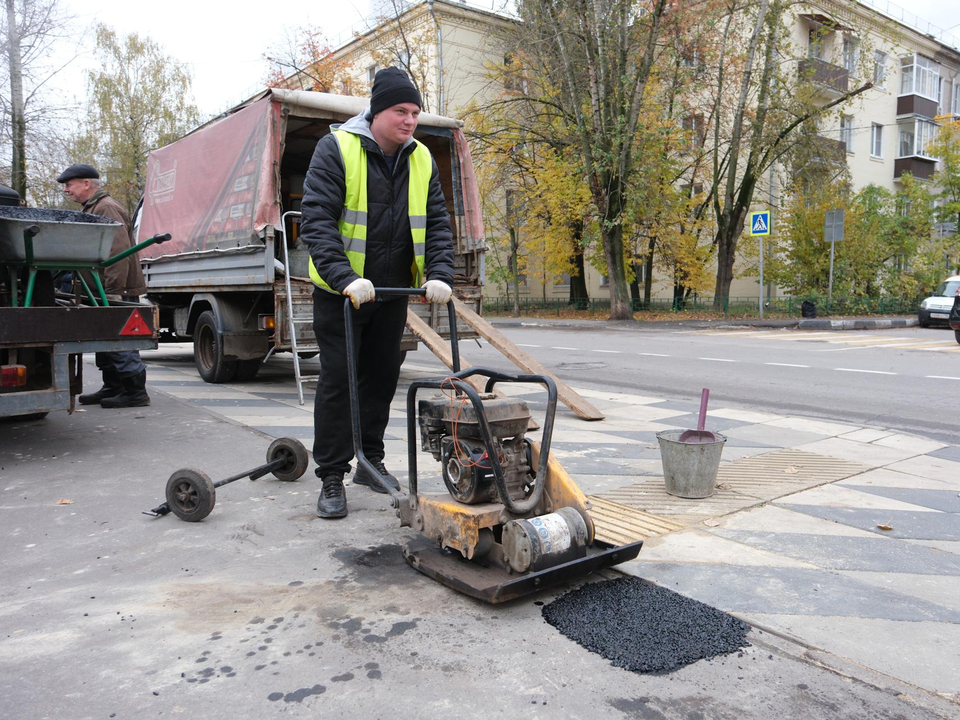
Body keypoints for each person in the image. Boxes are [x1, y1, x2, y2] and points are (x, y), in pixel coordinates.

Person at [300, 68, 455, 519]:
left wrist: (440, 273)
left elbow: (438, 224)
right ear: (377, 111)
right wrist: (345, 278)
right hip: (342, 292)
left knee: (382, 376)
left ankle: (369, 461)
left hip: (391, 292)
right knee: (339, 380)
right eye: (400, 111)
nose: (409, 120)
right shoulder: (336, 149)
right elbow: (318, 222)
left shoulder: (421, 158)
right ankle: (331, 474)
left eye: (415, 112)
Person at [57, 163, 150, 408]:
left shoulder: (106, 208)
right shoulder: (94, 207)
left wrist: (112, 292)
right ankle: (113, 387)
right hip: (101, 290)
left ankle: (135, 392)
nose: (67, 190)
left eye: (69, 185)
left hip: (114, 290)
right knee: (105, 339)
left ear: (86, 184)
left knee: (118, 340)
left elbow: (117, 252)